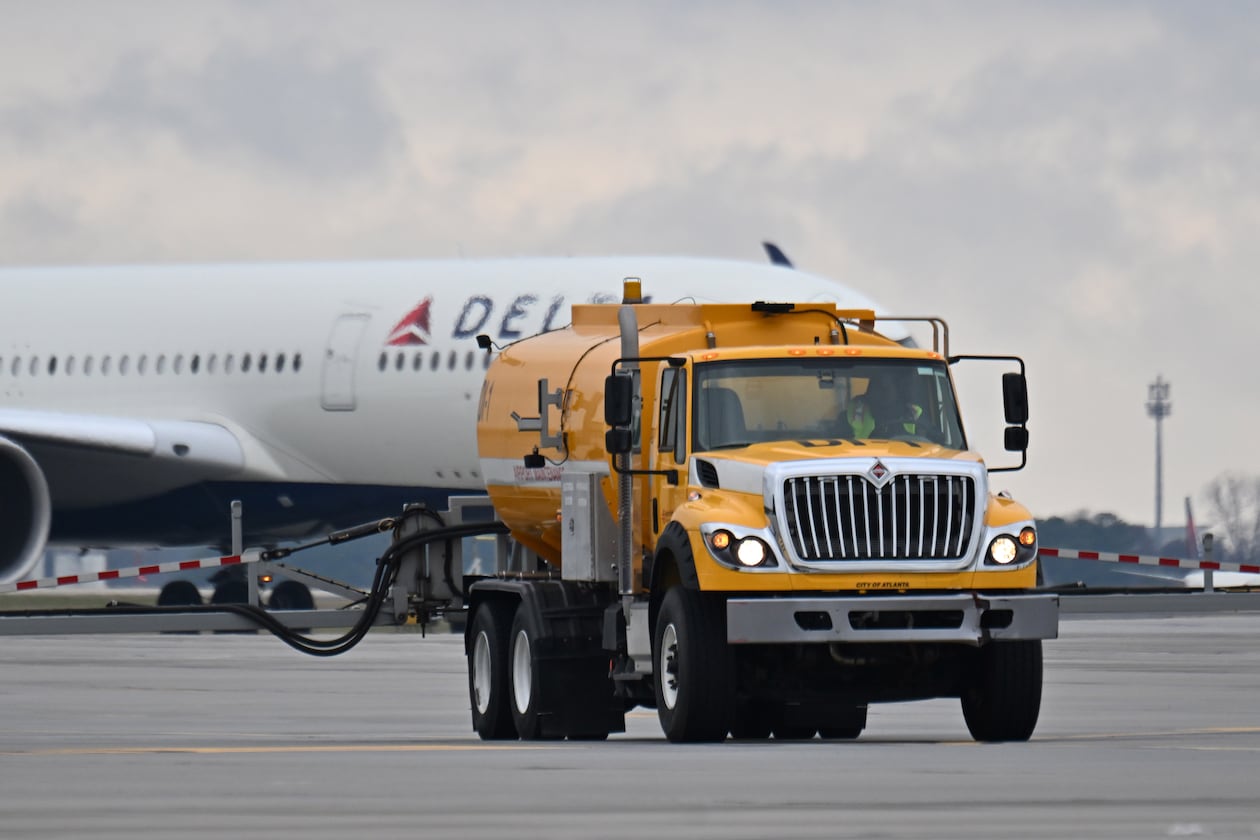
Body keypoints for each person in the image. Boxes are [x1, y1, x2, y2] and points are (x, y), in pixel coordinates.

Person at [845, 374, 923, 439]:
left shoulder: (914, 414)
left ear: (897, 391)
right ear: (869, 391)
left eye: (885, 388)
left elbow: (926, 444)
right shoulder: (853, 413)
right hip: (862, 455)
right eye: (876, 387)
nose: (880, 392)